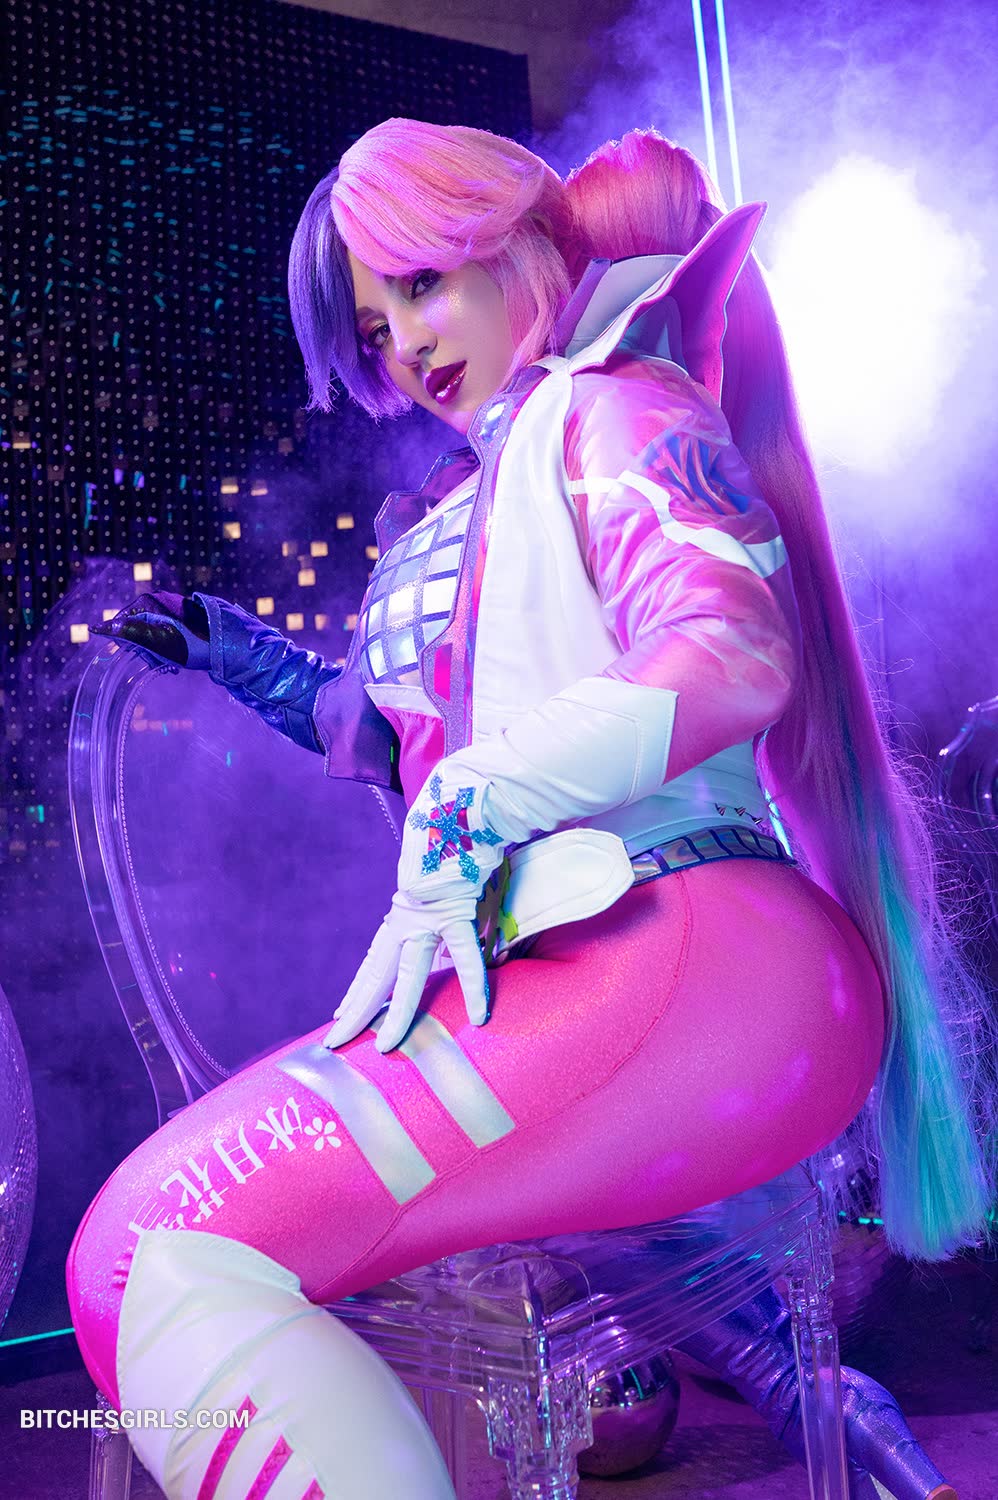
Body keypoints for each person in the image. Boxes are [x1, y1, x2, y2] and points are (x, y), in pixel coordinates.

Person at [66, 120, 991, 1500]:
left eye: (420, 285)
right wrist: (257, 668)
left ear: (516, 244)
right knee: (171, 1247)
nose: (405, 345)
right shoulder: (489, 487)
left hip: (684, 945)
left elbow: (727, 652)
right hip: (606, 970)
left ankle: (832, 1413)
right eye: (372, 328)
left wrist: (470, 804)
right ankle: (839, 1416)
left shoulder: (615, 404)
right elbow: (428, 734)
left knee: (157, 1250)